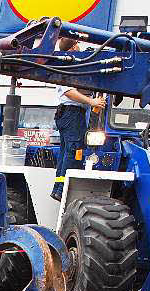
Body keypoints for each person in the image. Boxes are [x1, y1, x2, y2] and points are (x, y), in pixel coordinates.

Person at [51, 38, 105, 201]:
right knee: (73, 150)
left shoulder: (70, 65)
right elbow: (68, 91)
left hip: (69, 113)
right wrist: (92, 101)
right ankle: (62, 189)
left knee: (66, 152)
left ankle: (59, 187)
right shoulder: (66, 66)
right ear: (74, 47)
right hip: (71, 113)